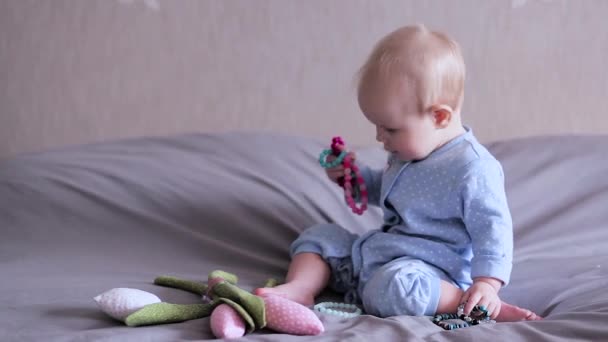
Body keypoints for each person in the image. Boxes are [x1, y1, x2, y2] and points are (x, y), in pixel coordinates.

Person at [255, 24, 541, 322]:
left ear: (439, 116)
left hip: (428, 271)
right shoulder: (407, 152)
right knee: (319, 237)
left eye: (390, 129)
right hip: (378, 252)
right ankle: (301, 288)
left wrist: (487, 284)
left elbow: (492, 229)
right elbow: (390, 192)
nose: (380, 138)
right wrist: (354, 178)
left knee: (395, 289)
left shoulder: (473, 168)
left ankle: (470, 303)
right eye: (377, 126)